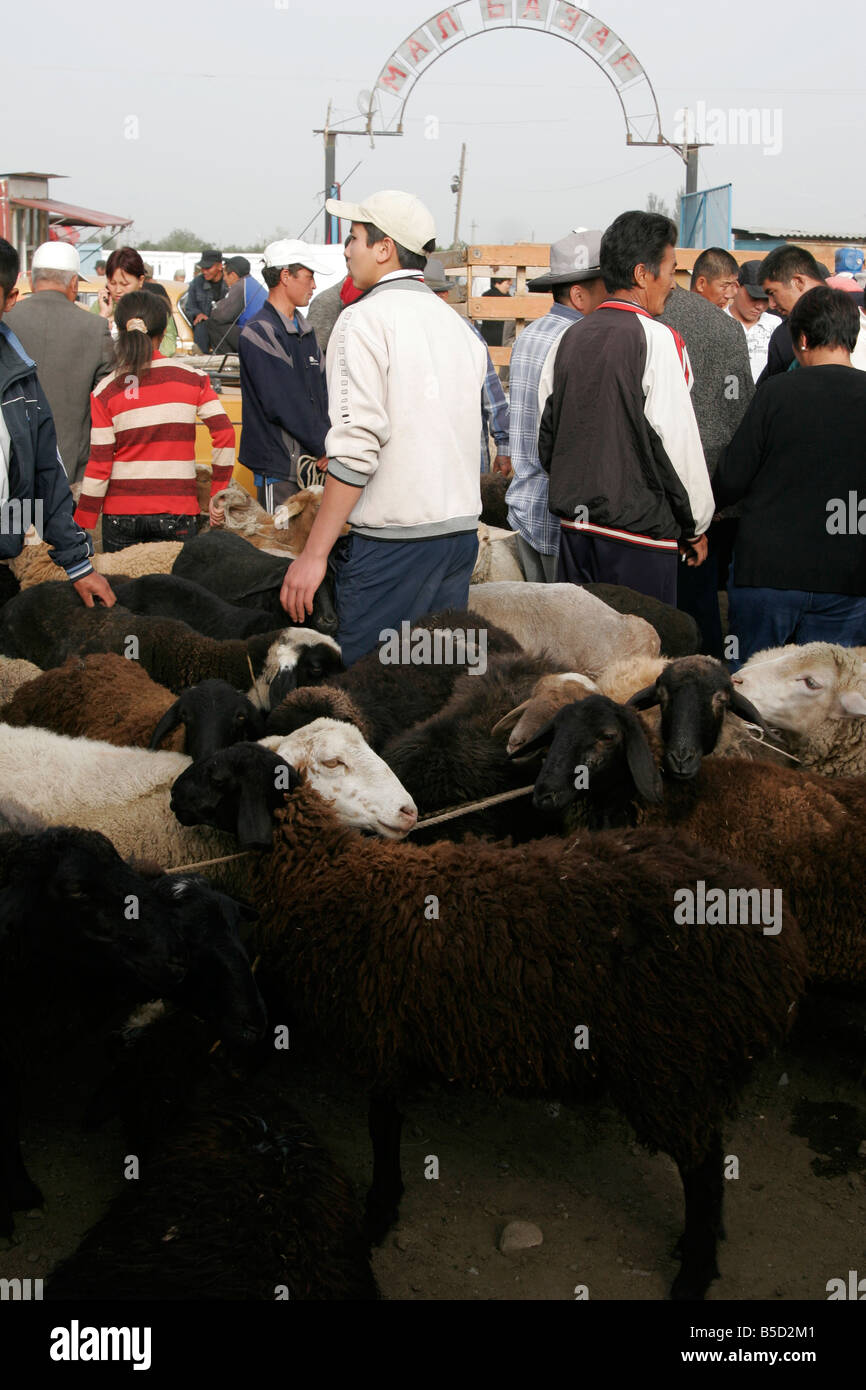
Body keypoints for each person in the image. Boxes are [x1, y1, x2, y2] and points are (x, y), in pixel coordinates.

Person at [281, 189, 487, 667]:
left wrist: (313, 555)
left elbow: (355, 451)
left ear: (384, 247)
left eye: (353, 238)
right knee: (434, 686)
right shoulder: (458, 328)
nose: (346, 249)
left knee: (372, 691)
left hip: (396, 547)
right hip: (456, 538)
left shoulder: (363, 321)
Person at [539, 211, 713, 605]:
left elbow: (547, 441)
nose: (673, 283)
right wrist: (695, 526)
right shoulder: (658, 340)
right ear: (641, 274)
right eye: (670, 270)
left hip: (576, 534)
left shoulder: (566, 339)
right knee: (640, 661)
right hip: (639, 540)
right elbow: (676, 445)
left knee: (579, 660)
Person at [716, 286, 866, 665]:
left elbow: (732, 479)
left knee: (750, 689)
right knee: (827, 703)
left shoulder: (775, 392)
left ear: (801, 338)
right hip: (849, 578)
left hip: (767, 575)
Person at [0, 238, 113, 607]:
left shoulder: (19, 359)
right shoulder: (94, 328)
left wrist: (77, 563)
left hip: (27, 504)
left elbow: (43, 468)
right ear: (73, 284)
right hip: (58, 485)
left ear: (15, 295)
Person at [74, 291, 235, 551]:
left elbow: (100, 463)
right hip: (178, 511)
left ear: (120, 329)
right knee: (173, 591)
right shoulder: (193, 379)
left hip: (120, 515)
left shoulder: (105, 390)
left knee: (123, 590)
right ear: (163, 330)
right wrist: (218, 494)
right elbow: (225, 434)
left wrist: (84, 518)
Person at [658, 267, 754, 656]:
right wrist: (717, 499)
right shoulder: (724, 327)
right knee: (700, 610)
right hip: (707, 496)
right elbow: (738, 418)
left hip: (643, 505)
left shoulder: (638, 320)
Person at [504, 229, 606, 583]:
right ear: (579, 295)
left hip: (527, 506)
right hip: (562, 518)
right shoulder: (581, 341)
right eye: (605, 287)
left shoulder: (530, 335)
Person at [5, 241, 114, 488]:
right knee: (60, 527)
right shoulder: (94, 329)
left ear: (32, 280)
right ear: (74, 283)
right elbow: (108, 400)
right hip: (68, 474)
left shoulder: (7, 321)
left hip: (11, 470)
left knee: (18, 524)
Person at [238, 239, 333, 512]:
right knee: (280, 550)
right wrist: (324, 446)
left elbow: (324, 393)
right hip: (279, 467)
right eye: (309, 276)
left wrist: (328, 445)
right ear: (285, 276)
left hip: (312, 464)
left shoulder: (306, 330)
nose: (313, 285)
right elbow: (283, 402)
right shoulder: (259, 332)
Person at [424, 255, 510, 476]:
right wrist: (503, 445)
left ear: (443, 295)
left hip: (427, 461)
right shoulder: (466, 332)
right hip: (464, 461)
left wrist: (503, 443)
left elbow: (490, 392)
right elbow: (492, 395)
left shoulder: (466, 332)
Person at [757, 244, 828, 381]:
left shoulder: (858, 324)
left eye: (772, 293)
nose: (771, 304)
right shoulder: (783, 335)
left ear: (798, 282)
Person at [92, 246, 177, 357]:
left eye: (125, 284)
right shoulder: (101, 306)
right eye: (112, 283)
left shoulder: (156, 306)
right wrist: (102, 317)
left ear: (140, 280)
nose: (118, 290)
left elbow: (169, 344)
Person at [724, 261, 781, 383]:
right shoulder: (718, 321)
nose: (760, 306)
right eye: (754, 297)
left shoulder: (776, 325)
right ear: (736, 287)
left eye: (766, 299)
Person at [206, 256, 267, 354]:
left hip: (255, 339)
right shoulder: (251, 283)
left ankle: (227, 362)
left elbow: (222, 316)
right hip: (263, 336)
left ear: (233, 275)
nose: (224, 278)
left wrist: (215, 308)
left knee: (212, 323)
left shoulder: (240, 286)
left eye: (225, 275)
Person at [185, 250, 226, 352]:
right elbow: (190, 306)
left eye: (208, 268)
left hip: (224, 327)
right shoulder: (197, 282)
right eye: (202, 268)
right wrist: (198, 314)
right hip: (204, 330)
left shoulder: (229, 281)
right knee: (201, 325)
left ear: (220, 266)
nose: (204, 271)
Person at [476, 273, 514, 348]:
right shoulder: (506, 299)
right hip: (500, 338)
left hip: (487, 337)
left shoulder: (485, 295)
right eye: (507, 283)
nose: (509, 286)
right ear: (497, 283)